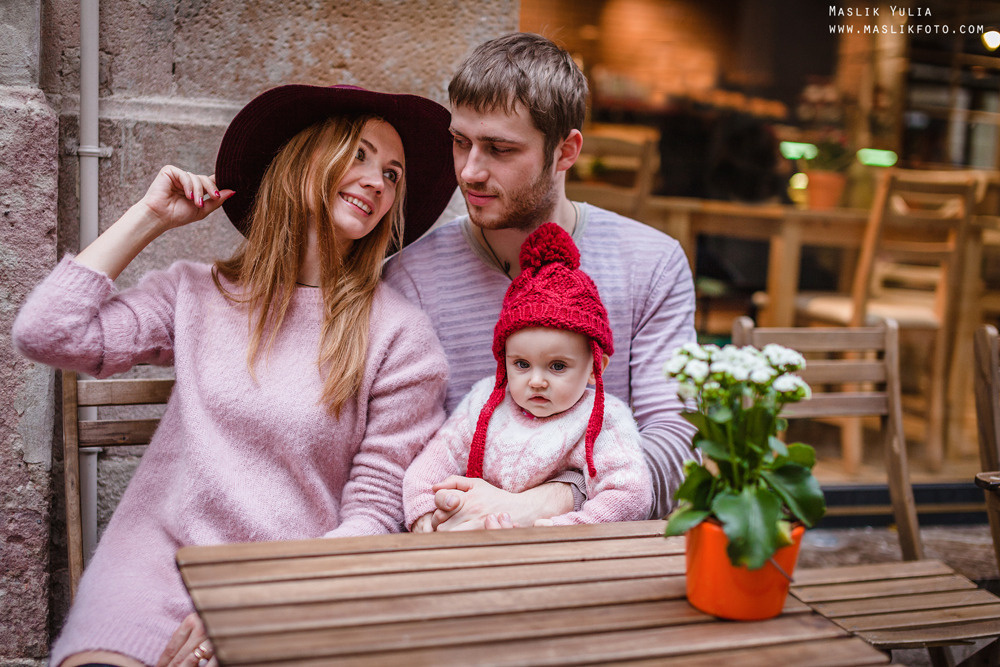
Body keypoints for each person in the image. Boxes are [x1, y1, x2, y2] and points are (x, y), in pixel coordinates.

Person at [12, 84, 456, 667]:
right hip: (151, 578)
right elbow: (47, 333)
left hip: (288, 593)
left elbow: (375, 514)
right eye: (358, 154)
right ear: (301, 163)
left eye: (393, 174)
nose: (377, 180)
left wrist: (256, 597)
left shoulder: (400, 336)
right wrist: (149, 218)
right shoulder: (196, 293)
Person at [384, 32, 698, 530]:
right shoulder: (411, 276)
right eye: (460, 142)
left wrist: (556, 498)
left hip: (597, 561)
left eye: (500, 149)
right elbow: (396, 455)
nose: (469, 171)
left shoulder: (652, 262)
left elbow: (680, 444)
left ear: (566, 151)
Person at [403, 223, 652, 531]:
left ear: (595, 367)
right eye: (521, 364)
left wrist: (567, 527)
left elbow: (630, 493)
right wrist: (424, 512)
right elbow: (436, 458)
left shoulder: (604, 419)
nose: (536, 381)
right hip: (471, 545)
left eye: (557, 366)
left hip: (558, 555)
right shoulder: (484, 401)